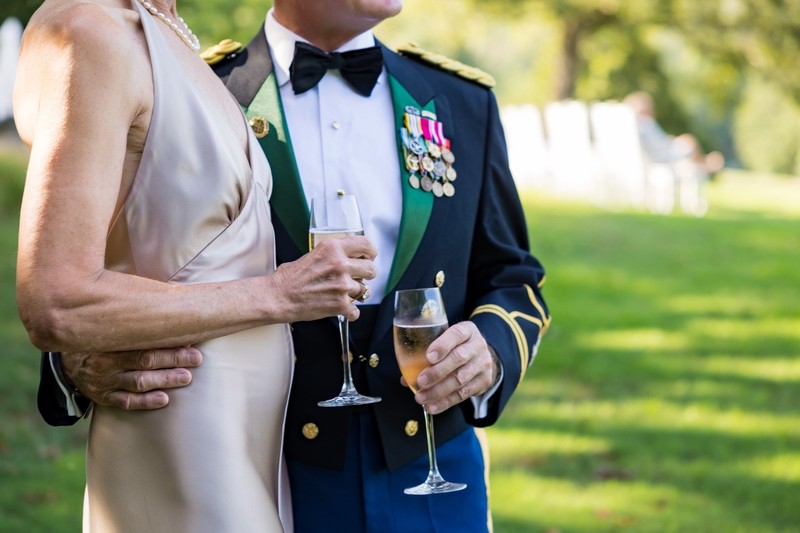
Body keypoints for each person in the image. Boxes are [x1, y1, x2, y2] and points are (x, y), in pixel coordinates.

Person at [36, 0, 551, 531]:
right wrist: (75, 361)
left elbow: (513, 277)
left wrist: (490, 349)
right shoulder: (192, 93)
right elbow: (89, 266)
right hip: (259, 461)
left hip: (429, 463)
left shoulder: (462, 101)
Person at [14, 0, 376, 531]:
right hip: (181, 435)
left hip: (248, 438)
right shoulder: (88, 30)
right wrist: (280, 294)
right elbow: (57, 300)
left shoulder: (168, 31)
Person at [623, 91, 724, 214]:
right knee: (689, 141)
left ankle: (703, 163)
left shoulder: (636, 126)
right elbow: (658, 146)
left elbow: (658, 141)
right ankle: (704, 164)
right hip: (662, 157)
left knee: (688, 141)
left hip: (661, 154)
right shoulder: (645, 124)